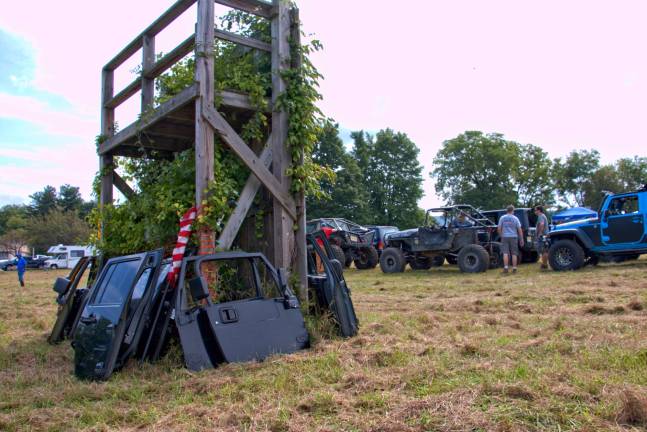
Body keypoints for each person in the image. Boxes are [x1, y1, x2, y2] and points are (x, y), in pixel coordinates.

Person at [497, 205, 524, 274]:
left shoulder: (502, 218)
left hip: (505, 237)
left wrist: (501, 236)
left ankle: (506, 267)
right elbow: (519, 229)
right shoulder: (515, 218)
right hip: (514, 237)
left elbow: (499, 228)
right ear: (512, 210)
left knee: (505, 253)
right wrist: (521, 239)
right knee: (514, 253)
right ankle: (514, 268)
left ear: (507, 210)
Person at [534, 205, 550, 270]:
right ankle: (544, 264)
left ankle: (544, 265)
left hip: (542, 236)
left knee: (543, 250)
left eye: (535, 210)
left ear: (539, 210)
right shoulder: (543, 216)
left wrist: (540, 233)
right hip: (545, 235)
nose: (535, 211)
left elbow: (542, 224)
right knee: (544, 250)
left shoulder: (541, 216)